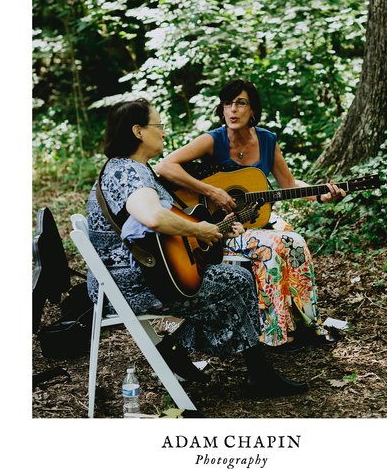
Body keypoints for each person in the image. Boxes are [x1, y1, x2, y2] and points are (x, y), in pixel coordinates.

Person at [85, 98, 307, 398]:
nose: (164, 132)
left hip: (137, 275)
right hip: (132, 287)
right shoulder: (128, 174)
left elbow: (160, 230)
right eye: (159, 126)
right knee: (236, 281)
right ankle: (253, 372)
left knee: (226, 276)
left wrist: (212, 231)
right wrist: (198, 229)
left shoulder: (130, 169)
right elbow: (152, 216)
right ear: (138, 132)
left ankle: (179, 349)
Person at [156, 79, 346, 348]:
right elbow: (166, 166)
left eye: (241, 103)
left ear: (253, 110)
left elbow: (289, 185)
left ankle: (305, 324)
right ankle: (274, 334)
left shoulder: (268, 140)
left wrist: (320, 193)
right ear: (221, 109)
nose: (233, 110)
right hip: (221, 226)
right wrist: (211, 191)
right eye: (228, 104)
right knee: (272, 247)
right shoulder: (214, 140)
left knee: (297, 241)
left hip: (259, 221)